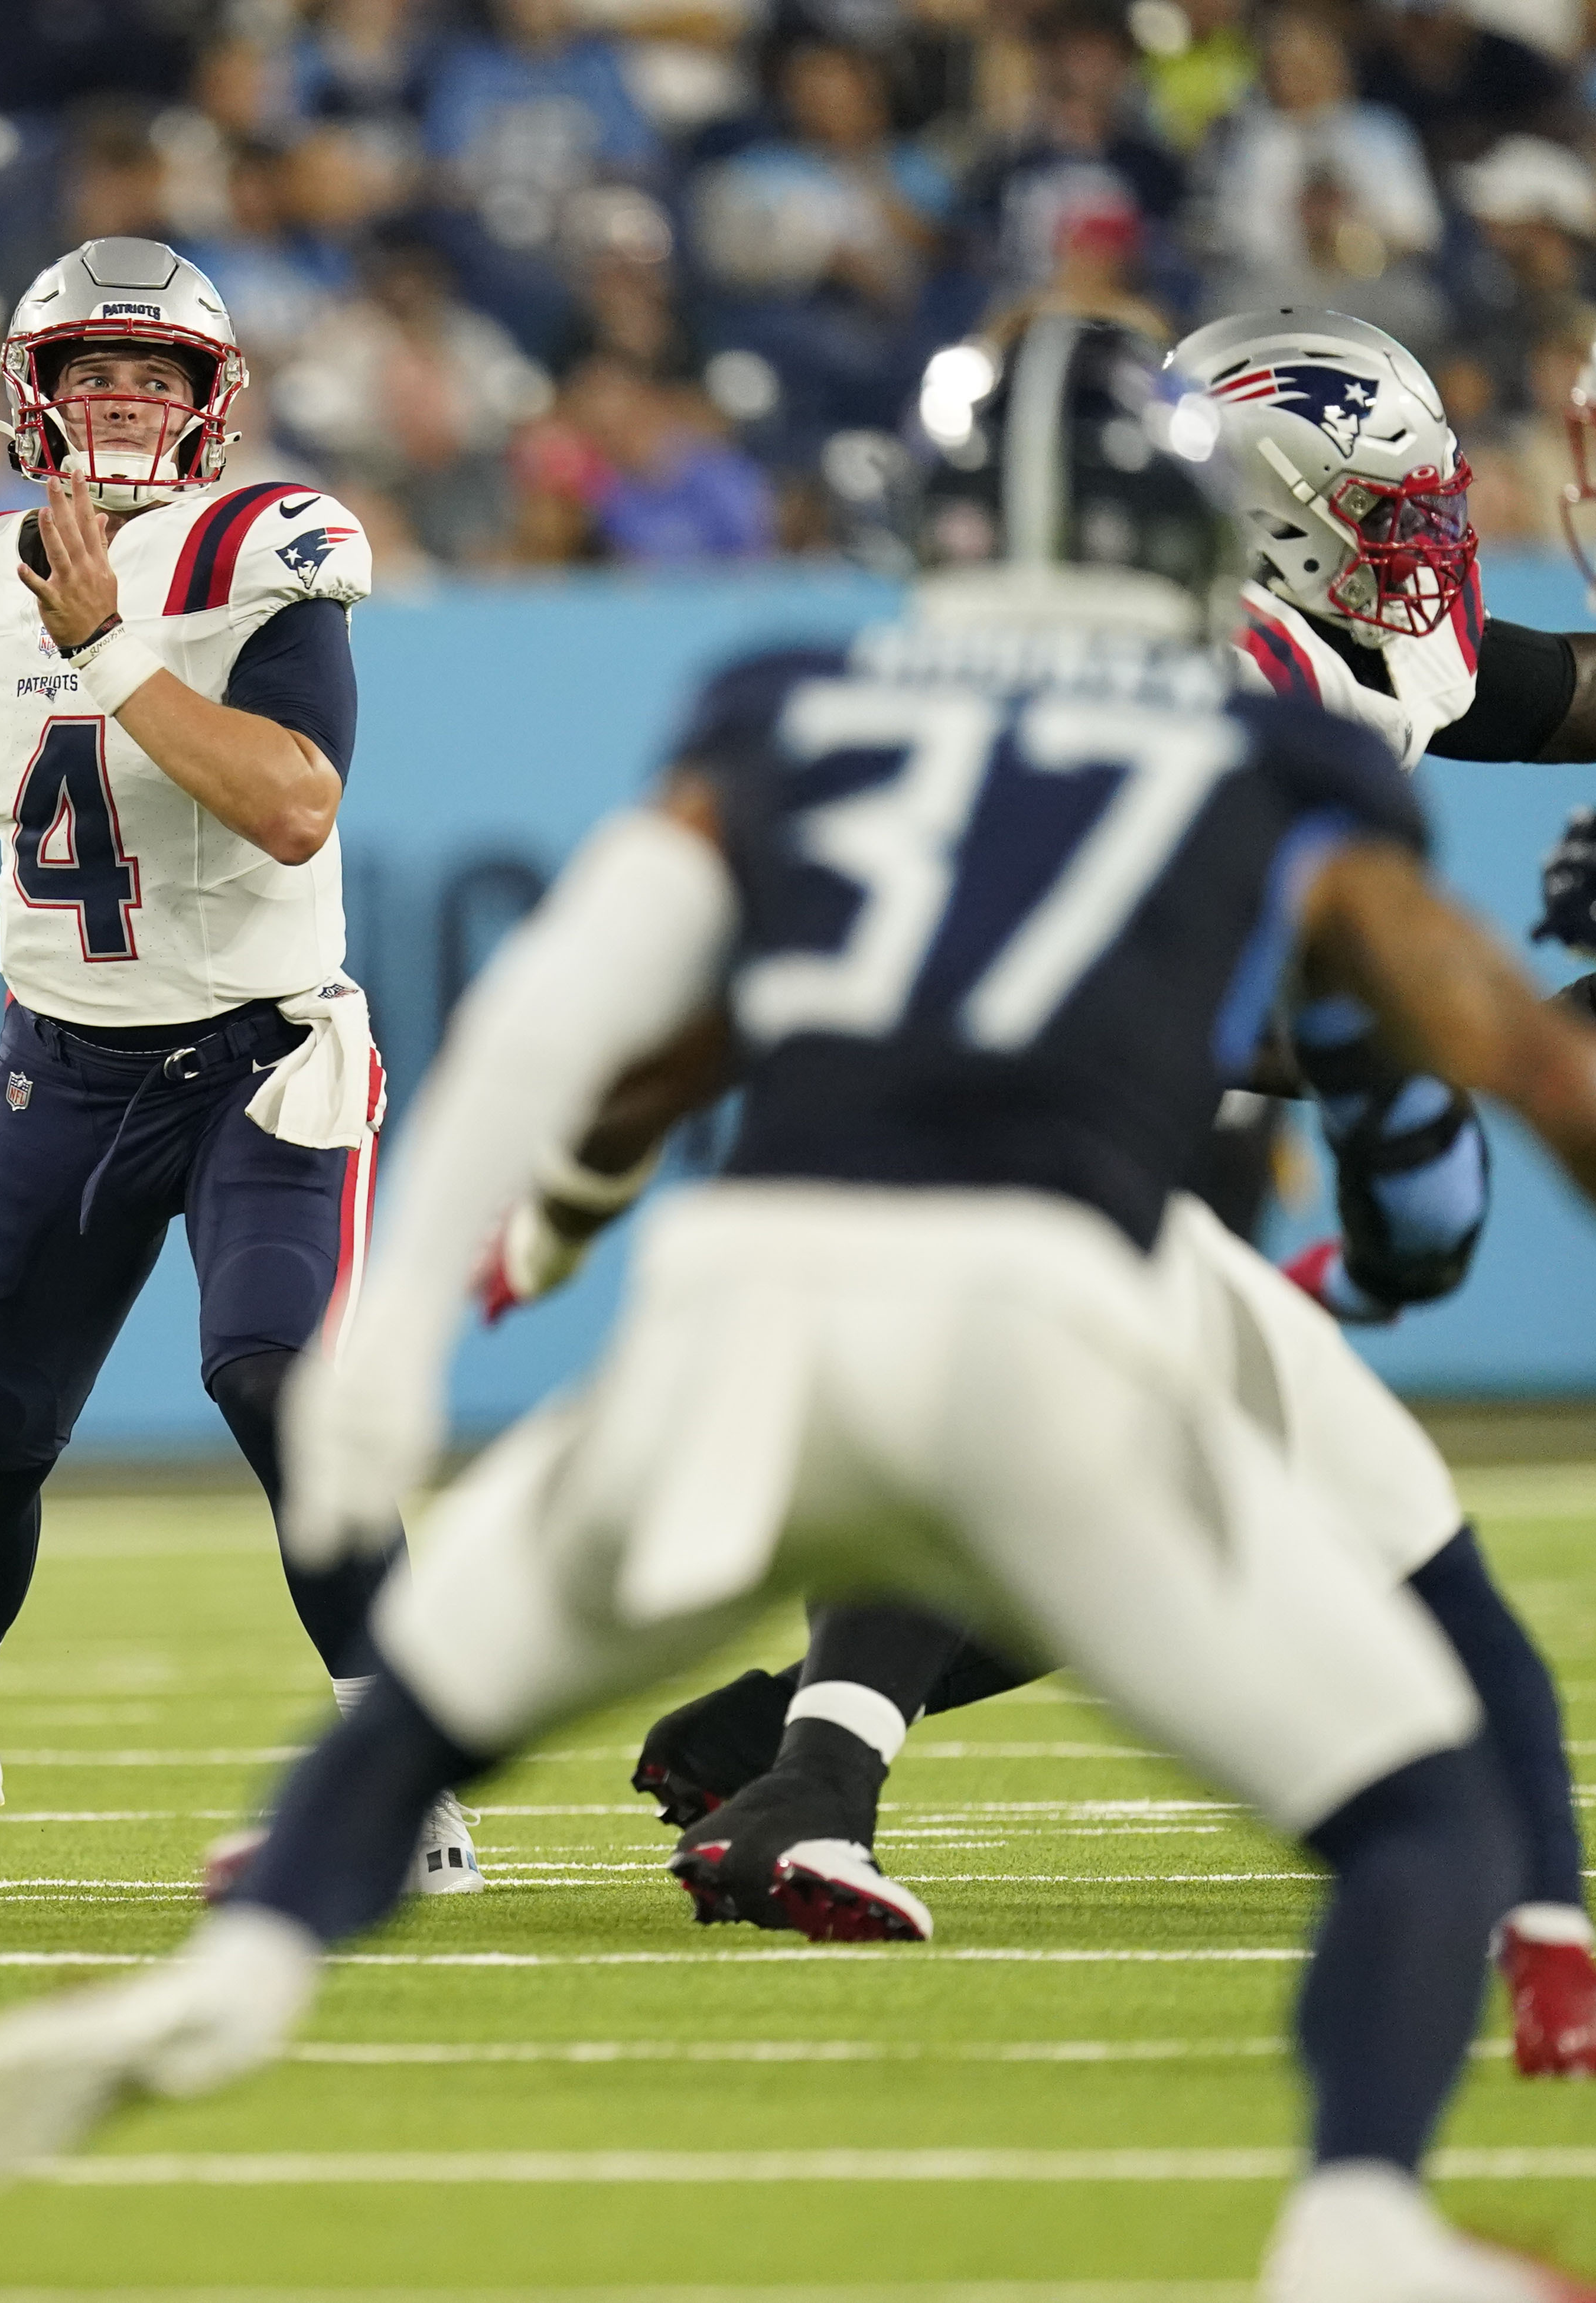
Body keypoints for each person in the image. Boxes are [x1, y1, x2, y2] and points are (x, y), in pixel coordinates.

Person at [0, 317, 1596, 2303]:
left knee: (430, 1711)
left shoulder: (794, 702)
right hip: (1049, 1308)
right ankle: (1354, 2218)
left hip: (735, 1321)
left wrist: (446, 1312)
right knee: (1417, 1818)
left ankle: (238, 1977)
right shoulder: (1281, 751)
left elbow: (576, 1017)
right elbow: (1447, 1100)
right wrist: (1410, 1238)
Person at [615, 311, 1596, 2076]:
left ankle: (791, 1749)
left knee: (1146, 1493)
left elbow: (1543, 688)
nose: (1431, 541)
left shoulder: (1327, 642)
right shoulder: (1214, 677)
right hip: (1037, 1092)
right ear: (1278, 520)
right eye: (1393, 508)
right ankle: (1517, 1955)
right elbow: (1310, 1023)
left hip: (1108, 1101)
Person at [0, 236, 467, 1894]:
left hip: (259, 1058)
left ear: (212, 407)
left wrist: (112, 647)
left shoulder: (261, 548)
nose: (122, 400)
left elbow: (292, 801)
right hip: (61, 1065)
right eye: (90, 373)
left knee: (278, 1379)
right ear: (29, 400)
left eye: (153, 374)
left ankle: (400, 1777)